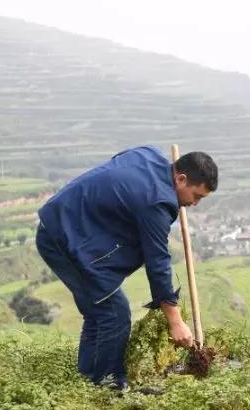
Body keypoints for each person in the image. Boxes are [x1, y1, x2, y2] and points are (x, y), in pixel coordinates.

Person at [36, 146, 217, 388]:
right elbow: (157, 261)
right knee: (114, 313)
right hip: (61, 238)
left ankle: (88, 380)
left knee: (99, 311)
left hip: (67, 222)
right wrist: (175, 320)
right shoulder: (156, 203)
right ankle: (110, 389)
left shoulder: (148, 154)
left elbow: (119, 167)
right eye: (196, 196)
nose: (195, 204)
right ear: (181, 178)